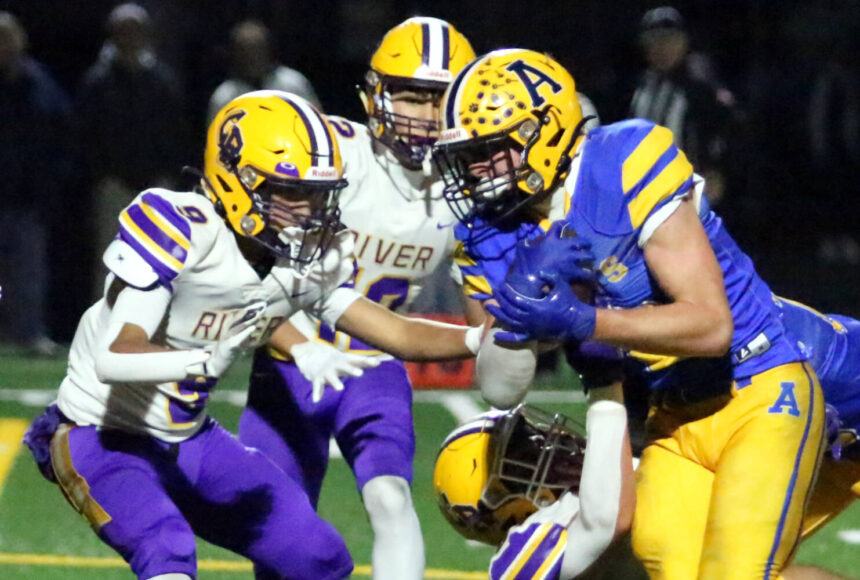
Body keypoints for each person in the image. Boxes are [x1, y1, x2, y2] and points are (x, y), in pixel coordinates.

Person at [21, 90, 484, 580]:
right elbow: (116, 356)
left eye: (317, 192)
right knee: (168, 551)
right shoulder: (181, 229)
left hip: (190, 439)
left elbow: (396, 331)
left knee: (319, 556)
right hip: (102, 436)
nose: (309, 210)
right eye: (292, 191)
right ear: (238, 181)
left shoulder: (298, 256)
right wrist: (197, 360)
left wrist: (481, 341)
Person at [432, 48, 823, 579]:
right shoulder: (490, 234)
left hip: (759, 385)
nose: (474, 172)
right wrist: (519, 311)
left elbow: (711, 325)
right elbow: (501, 391)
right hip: (670, 418)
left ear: (541, 132)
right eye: (465, 156)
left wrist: (584, 322)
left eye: (489, 151)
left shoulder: (622, 160)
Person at [238, 17, 476, 580]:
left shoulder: (468, 189)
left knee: (391, 498)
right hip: (288, 363)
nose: (424, 113)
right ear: (376, 93)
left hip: (374, 363)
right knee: (280, 534)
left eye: (439, 98)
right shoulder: (330, 154)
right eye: (411, 95)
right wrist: (299, 348)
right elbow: (246, 276)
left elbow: (485, 321)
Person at [433, 384, 635, 580]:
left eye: (534, 437)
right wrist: (606, 389)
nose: (543, 444)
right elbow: (607, 519)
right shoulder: (522, 556)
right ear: (495, 511)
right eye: (519, 459)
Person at [76, 3, 190, 296]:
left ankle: (152, 325)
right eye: (123, 31)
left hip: (155, 185)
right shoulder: (98, 82)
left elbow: (175, 132)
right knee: (111, 255)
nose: (130, 37)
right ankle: (106, 322)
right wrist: (102, 175)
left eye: (135, 31)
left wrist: (167, 177)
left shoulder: (162, 80)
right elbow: (87, 135)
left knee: (158, 255)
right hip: (113, 185)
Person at [0, 11, 70, 356]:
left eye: (7, 37)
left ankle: (29, 334)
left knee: (28, 274)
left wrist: (49, 186)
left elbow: (58, 136)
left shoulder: (39, 83)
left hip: (26, 197)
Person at [628, 6, 737, 207]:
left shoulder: (700, 85)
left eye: (669, 39)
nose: (661, 48)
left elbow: (727, 130)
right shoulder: (641, 88)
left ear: (684, 42)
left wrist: (718, 169)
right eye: (654, 41)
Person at [206, 19, 321, 123]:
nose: (252, 57)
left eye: (257, 49)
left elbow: (319, 124)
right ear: (235, 54)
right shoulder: (224, 96)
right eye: (244, 50)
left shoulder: (294, 83)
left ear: (268, 49)